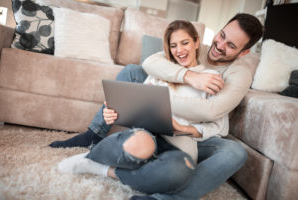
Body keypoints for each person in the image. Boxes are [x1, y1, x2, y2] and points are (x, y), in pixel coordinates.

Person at [51, 13, 263, 200]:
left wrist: (159, 103)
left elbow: (212, 113)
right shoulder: (194, 45)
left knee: (234, 153)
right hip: (158, 122)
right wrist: (189, 76)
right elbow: (150, 63)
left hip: (191, 134)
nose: (220, 46)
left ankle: (164, 196)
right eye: (222, 35)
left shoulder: (237, 74)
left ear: (244, 52)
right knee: (132, 71)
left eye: (231, 46)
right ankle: (94, 134)